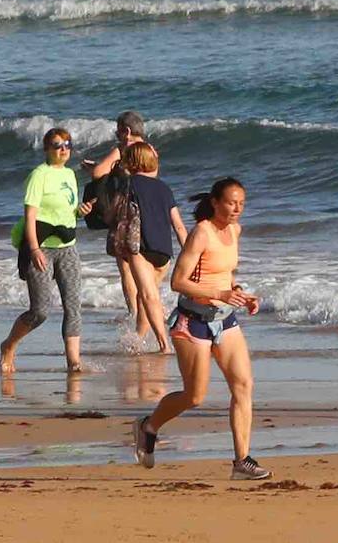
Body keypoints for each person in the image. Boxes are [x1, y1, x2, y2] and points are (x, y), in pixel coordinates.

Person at [132, 178, 272, 481]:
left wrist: (239, 293)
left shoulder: (234, 230)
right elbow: (178, 282)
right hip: (192, 321)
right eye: (231, 203)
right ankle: (148, 426)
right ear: (215, 202)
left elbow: (224, 273)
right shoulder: (201, 233)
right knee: (194, 396)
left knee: (243, 385)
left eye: (241, 203)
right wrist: (220, 294)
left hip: (225, 320)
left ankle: (242, 461)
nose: (237, 209)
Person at [0, 127, 94, 374]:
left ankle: (74, 362)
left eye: (67, 145)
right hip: (41, 249)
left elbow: (66, 211)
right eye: (57, 145)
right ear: (46, 149)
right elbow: (30, 216)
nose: (63, 149)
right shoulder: (39, 175)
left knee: (73, 307)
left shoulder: (70, 175)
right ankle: (9, 344)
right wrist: (34, 249)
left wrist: (80, 211)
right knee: (40, 311)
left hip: (68, 249)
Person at [87, 110, 153, 341]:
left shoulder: (123, 149)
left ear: (126, 131)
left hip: (126, 213)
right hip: (148, 210)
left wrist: (95, 168)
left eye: (118, 131)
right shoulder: (150, 150)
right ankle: (147, 310)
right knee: (144, 265)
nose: (117, 136)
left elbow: (98, 172)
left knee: (126, 267)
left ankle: (134, 312)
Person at [121, 142, 188, 353]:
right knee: (145, 297)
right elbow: (178, 225)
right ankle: (139, 339)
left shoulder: (129, 184)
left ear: (131, 162)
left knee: (149, 296)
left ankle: (164, 344)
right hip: (163, 252)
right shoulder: (164, 188)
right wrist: (190, 255)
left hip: (141, 248)